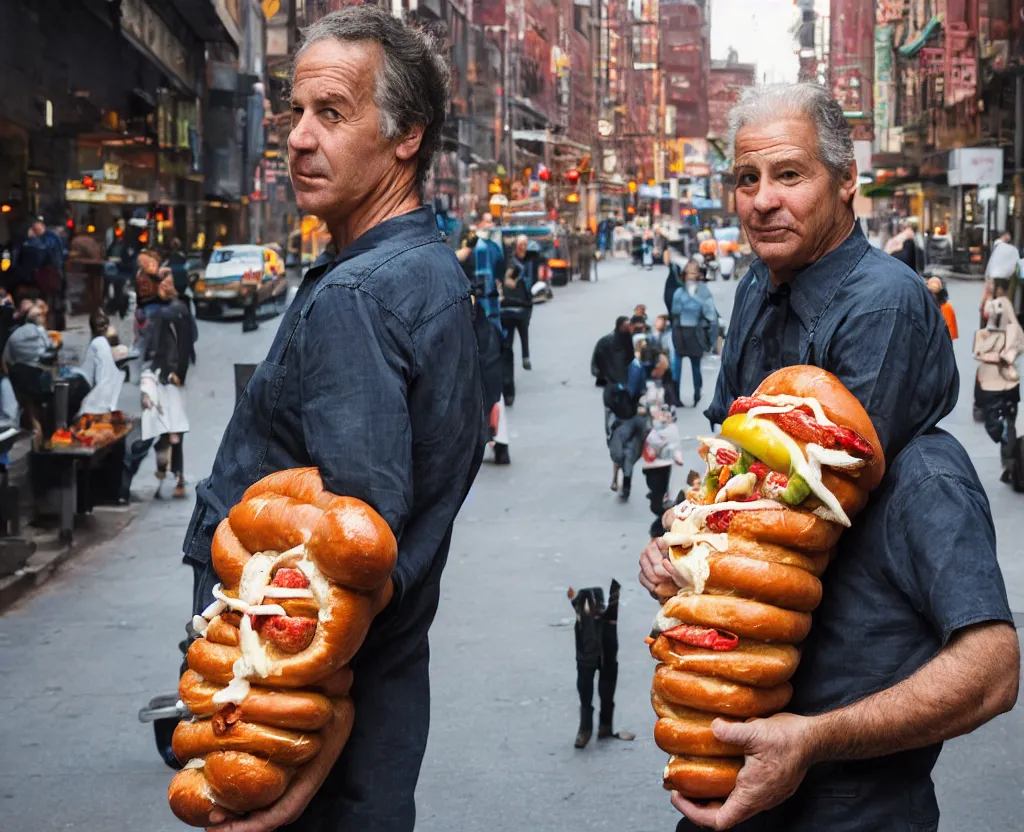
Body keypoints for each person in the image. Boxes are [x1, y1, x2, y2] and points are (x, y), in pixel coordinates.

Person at [644, 81, 1008, 832]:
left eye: (789, 174)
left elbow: (809, 502)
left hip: (850, 793)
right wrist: (685, 531)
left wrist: (714, 550)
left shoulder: (883, 307)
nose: (763, 200)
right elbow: (728, 460)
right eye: (747, 179)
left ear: (846, 180)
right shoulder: (757, 289)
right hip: (742, 732)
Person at [182, 9, 484, 830]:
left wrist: (298, 761)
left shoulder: (358, 295)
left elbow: (343, 573)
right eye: (295, 112)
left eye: (333, 113)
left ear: (406, 136)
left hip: (310, 733)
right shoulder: (426, 271)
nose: (299, 138)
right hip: (366, 717)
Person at [141, 274, 196, 499]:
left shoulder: (169, 313)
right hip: (170, 376)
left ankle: (169, 474)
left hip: (167, 376)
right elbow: (190, 339)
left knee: (168, 428)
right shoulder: (178, 309)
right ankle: (174, 475)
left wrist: (174, 373)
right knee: (173, 427)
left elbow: (170, 345)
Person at [568, 582, 634, 749]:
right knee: (585, 680)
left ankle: (605, 726)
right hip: (587, 633)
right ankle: (585, 728)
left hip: (607, 631)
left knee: (608, 675)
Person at [973, 281, 1023, 483]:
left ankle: (1011, 467)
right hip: (998, 385)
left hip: (1004, 385)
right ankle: (1011, 465)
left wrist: (1004, 355)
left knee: (1004, 426)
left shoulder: (1009, 327)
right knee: (1003, 425)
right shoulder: (995, 326)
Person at [640, 349, 683, 538]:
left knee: (664, 482)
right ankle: (660, 509)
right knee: (657, 481)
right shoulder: (648, 385)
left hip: (665, 445)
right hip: (655, 445)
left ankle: (661, 513)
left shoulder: (665, 386)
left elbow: (672, 410)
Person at [671, 258, 719, 407]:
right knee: (676, 365)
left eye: (694, 271)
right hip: (680, 331)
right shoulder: (679, 292)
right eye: (688, 271)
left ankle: (697, 393)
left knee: (695, 366)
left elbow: (711, 314)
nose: (691, 274)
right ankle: (675, 396)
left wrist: (712, 338)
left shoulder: (704, 291)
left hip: (696, 332)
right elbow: (675, 311)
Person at [606, 332, 649, 499]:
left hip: (632, 416)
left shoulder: (636, 368)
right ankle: (619, 479)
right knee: (618, 449)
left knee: (629, 452)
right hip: (619, 417)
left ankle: (626, 483)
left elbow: (642, 390)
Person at [69, 309, 124, 419]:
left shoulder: (97, 341)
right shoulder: (100, 343)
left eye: (105, 325)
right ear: (94, 329)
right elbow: (103, 373)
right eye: (100, 326)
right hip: (86, 385)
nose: (104, 328)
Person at [501, 235, 533, 383]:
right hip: (512, 306)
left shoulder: (525, 262)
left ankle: (525, 356)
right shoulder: (513, 263)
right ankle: (515, 360)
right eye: (522, 244)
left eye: (526, 244)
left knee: (523, 330)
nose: (524, 247)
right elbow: (509, 281)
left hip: (522, 304)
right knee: (512, 336)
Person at [591, 316, 633, 387]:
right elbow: (596, 360)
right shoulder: (607, 341)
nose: (630, 328)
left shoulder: (604, 340)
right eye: (628, 326)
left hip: (610, 381)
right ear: (622, 326)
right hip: (612, 382)